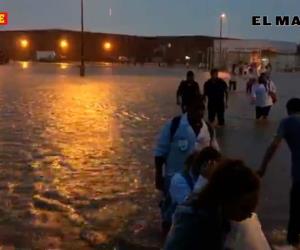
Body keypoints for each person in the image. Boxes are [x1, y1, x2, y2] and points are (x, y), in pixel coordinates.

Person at [154, 99, 219, 235]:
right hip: (173, 178)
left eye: (202, 109)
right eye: (196, 108)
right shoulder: (174, 125)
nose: (200, 112)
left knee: (194, 212)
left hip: (197, 179)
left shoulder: (208, 129)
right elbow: (160, 152)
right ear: (186, 108)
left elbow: (216, 154)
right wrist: (158, 175)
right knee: (170, 212)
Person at [164, 159, 261, 250]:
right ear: (226, 198)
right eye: (245, 208)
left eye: (252, 209)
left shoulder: (216, 215)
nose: (249, 215)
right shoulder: (197, 225)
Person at [257, 98, 300, 247]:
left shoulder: (287, 122)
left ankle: (293, 243)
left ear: (288, 110)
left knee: (295, 215)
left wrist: (263, 167)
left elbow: (274, 145)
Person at [168, 147, 221, 217]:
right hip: (182, 223)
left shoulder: (213, 178)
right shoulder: (179, 180)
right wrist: (203, 178)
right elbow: (188, 207)